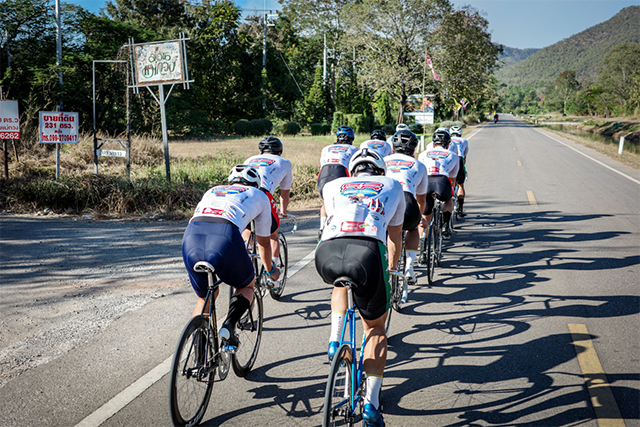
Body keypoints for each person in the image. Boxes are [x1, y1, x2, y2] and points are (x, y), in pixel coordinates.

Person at [316, 148, 405, 427]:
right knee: (375, 328)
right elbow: (394, 238)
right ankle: (371, 405)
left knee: (342, 280)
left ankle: (334, 340)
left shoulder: (332, 185)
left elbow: (334, 223)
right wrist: (391, 270)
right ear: (381, 171)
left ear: (352, 171)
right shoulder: (393, 185)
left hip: (327, 250)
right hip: (367, 250)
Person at [181, 165, 281, 348]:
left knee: (205, 297)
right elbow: (264, 243)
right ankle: (229, 326)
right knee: (246, 286)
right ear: (256, 184)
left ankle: (199, 348)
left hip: (190, 238)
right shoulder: (259, 195)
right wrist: (270, 270)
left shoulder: (213, 190)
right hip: (224, 236)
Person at [384, 129, 428, 303]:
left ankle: (384, 266)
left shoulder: (382, 160)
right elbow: (422, 199)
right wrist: (419, 217)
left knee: (386, 232)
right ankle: (409, 266)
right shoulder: (419, 165)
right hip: (408, 199)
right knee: (412, 229)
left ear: (392, 148)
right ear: (413, 150)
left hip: (386, 200)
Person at [244, 136, 293, 283]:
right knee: (272, 235)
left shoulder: (249, 159)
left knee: (247, 233)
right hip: (263, 195)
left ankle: (246, 258)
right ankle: (272, 274)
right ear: (279, 151)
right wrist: (283, 211)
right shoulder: (284, 162)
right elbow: (284, 193)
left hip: (244, 194)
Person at [317, 126, 359, 239]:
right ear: (351, 138)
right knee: (346, 201)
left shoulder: (326, 148)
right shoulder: (354, 149)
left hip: (324, 175)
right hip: (341, 172)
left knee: (327, 201)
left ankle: (322, 228)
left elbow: (322, 164)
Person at [417, 128, 459, 239]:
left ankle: (422, 249)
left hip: (426, 181)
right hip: (442, 181)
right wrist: (451, 193)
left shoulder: (422, 154)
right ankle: (446, 224)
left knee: (425, 216)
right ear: (448, 144)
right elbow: (453, 178)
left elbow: (419, 173)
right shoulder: (453, 155)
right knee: (448, 200)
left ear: (433, 143)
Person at [449, 126, 470, 217]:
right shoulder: (464, 141)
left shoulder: (448, 139)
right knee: (460, 185)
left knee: (450, 181)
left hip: (449, 158)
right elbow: (464, 157)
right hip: (459, 159)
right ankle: (460, 208)